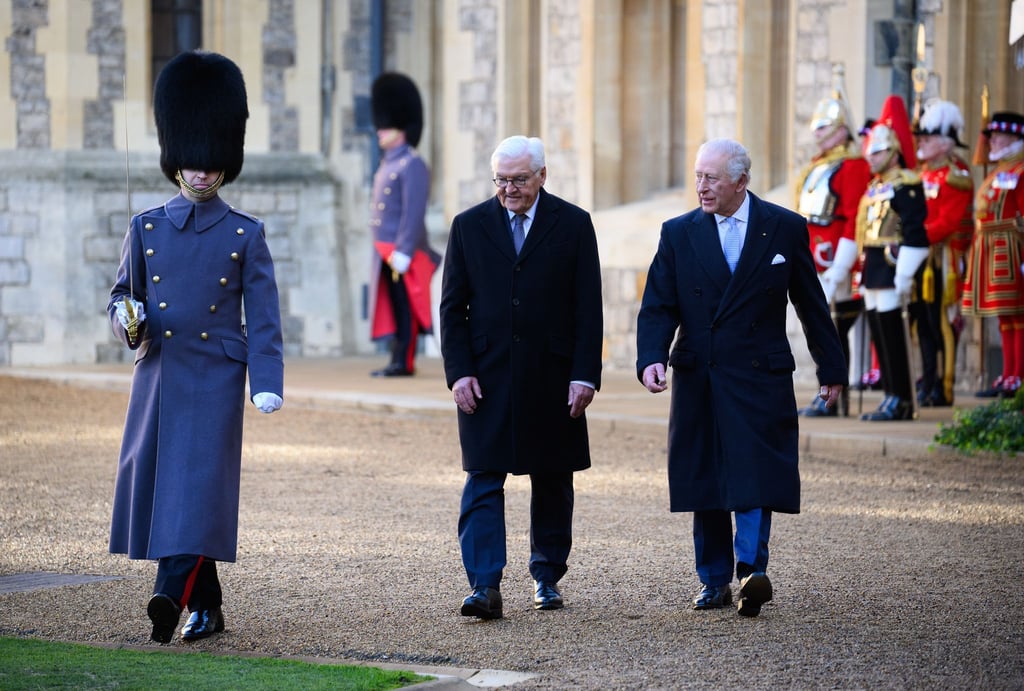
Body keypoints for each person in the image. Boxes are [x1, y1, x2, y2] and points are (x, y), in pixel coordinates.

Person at [107, 50, 284, 644]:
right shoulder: (146, 227)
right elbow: (121, 299)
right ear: (176, 161)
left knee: (197, 485)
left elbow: (264, 318)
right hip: (159, 371)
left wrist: (267, 380)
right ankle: (207, 607)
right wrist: (127, 320)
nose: (202, 173)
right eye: (193, 163)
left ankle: (168, 594)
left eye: (212, 165)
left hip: (214, 375)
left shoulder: (245, 234)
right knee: (172, 485)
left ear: (224, 164)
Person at [635, 138, 847, 617]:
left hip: (759, 373)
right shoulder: (678, 232)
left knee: (755, 473)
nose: (701, 187)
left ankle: (751, 569)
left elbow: (810, 304)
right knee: (707, 477)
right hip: (700, 372)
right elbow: (658, 306)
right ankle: (713, 581)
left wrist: (831, 369)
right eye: (697, 176)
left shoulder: (785, 227)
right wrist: (651, 356)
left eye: (711, 178)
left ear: (741, 182)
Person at [440, 135, 603, 619]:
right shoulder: (468, 226)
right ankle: (484, 585)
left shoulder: (574, 225)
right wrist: (459, 372)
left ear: (542, 176)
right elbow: (452, 310)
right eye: (501, 180)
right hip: (486, 377)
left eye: (518, 180)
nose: (508, 189)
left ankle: (547, 576)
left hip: (552, 376)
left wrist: (584, 376)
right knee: (483, 479)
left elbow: (588, 309)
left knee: (552, 477)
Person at [827, 96, 931, 421]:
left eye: (879, 152)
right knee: (879, 332)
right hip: (872, 268)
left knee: (892, 334)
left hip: (891, 265)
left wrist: (905, 273)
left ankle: (901, 398)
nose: (871, 158)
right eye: (870, 152)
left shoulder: (907, 185)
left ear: (894, 151)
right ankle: (889, 394)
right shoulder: (875, 187)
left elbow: (916, 234)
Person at [795, 64, 872, 417]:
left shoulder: (853, 167)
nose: (818, 135)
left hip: (836, 257)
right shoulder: (817, 166)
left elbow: (852, 217)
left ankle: (833, 395)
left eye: (825, 128)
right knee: (819, 328)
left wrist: (840, 267)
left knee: (835, 329)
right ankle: (825, 394)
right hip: (814, 255)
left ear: (841, 132)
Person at [367, 72, 441, 377]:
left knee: (406, 306)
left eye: (385, 126)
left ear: (400, 128)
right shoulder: (389, 161)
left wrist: (405, 249)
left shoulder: (412, 163)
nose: (379, 131)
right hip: (384, 249)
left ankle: (404, 360)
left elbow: (413, 212)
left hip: (399, 250)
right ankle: (396, 358)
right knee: (394, 306)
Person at [912, 99, 974, 406]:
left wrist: (915, 235)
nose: (921, 142)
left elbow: (948, 221)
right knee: (921, 323)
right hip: (920, 257)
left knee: (941, 323)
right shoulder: (921, 173)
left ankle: (944, 384)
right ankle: (928, 378)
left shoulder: (956, 174)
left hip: (943, 258)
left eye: (928, 137)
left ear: (945, 142)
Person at [962, 111, 1024, 398]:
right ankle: (1007, 374)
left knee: (1018, 314)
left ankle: (1017, 375)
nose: (994, 142)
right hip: (991, 246)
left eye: (999, 137)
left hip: (1012, 247)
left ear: (1015, 138)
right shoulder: (1000, 171)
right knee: (1004, 316)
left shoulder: (1020, 170)